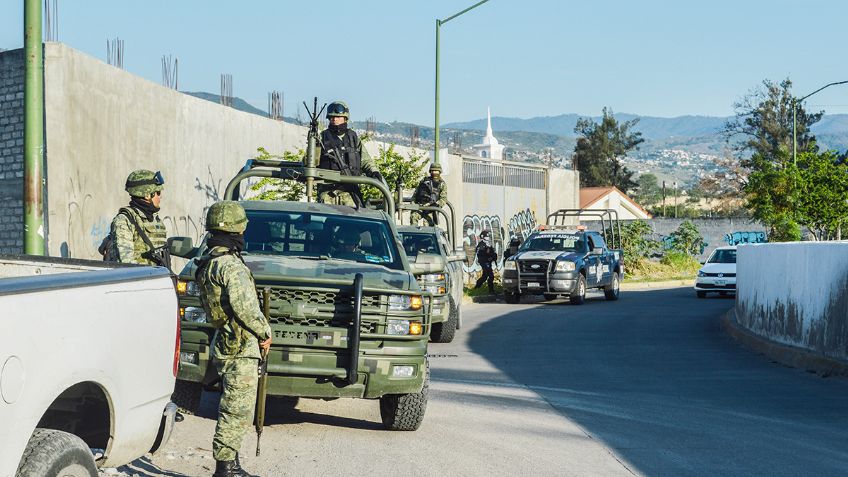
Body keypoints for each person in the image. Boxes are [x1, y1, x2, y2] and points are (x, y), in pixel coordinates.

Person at [195, 201, 272, 477]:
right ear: (237, 228)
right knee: (236, 409)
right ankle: (225, 468)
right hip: (241, 344)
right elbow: (246, 309)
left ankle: (231, 463)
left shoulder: (208, 261)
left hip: (226, 340)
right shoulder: (230, 266)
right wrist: (265, 332)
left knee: (233, 407)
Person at [317, 100, 383, 206]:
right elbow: (309, 161)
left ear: (345, 118)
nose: (334, 119)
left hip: (350, 193)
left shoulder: (353, 137)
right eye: (331, 117)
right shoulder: (321, 138)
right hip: (328, 193)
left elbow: (365, 160)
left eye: (337, 117)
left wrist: (374, 172)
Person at [103, 169, 169, 268]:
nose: (160, 197)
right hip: (138, 281)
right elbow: (126, 263)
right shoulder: (125, 221)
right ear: (147, 195)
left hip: (157, 280)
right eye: (158, 193)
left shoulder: (155, 220)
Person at [474, 230, 498, 294]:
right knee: (491, 276)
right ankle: (491, 290)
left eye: (488, 236)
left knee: (485, 276)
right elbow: (480, 255)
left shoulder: (488, 244)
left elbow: (492, 253)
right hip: (484, 262)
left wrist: (493, 257)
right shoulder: (481, 245)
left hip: (488, 262)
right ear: (483, 237)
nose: (488, 237)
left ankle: (477, 286)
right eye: (487, 236)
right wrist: (488, 258)